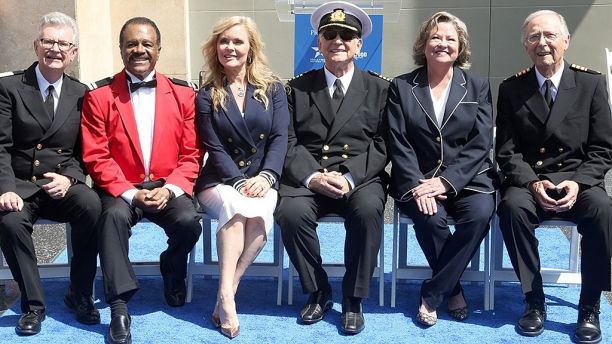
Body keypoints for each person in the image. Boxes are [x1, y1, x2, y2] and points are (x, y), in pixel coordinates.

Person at [80, 17, 203, 344]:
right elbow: (96, 156)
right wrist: (130, 194)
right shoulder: (100, 96)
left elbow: (191, 153)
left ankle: (172, 267)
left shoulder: (183, 94)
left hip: (168, 186)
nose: (139, 50)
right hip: (121, 190)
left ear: (159, 50)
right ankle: (119, 306)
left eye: (147, 44)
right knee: (112, 219)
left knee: (190, 222)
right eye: (132, 44)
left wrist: (171, 189)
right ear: (121, 49)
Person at [496, 10, 612, 344]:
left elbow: (603, 147)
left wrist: (579, 181)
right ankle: (534, 301)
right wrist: (533, 182)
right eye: (534, 37)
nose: (542, 43)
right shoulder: (512, 88)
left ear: (566, 40)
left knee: (603, 210)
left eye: (549, 35)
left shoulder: (590, 83)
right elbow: (506, 151)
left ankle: (589, 306)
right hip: (532, 181)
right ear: (525, 45)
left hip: (579, 181)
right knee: (511, 209)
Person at [274, 1, 389, 335]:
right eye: (329, 34)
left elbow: (383, 142)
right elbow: (289, 141)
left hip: (359, 177)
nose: (337, 40)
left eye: (346, 35)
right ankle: (317, 290)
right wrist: (314, 176)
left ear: (358, 45)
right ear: (319, 42)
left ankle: (353, 299)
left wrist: (350, 176)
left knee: (369, 212)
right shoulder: (297, 88)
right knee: (290, 213)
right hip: (310, 175)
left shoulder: (381, 89)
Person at [386, 11, 496, 327]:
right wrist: (418, 184)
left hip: (468, 180)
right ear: (424, 44)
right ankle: (454, 290)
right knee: (431, 220)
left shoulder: (477, 86)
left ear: (460, 48)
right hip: (418, 180)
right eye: (436, 37)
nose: (442, 44)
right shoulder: (402, 86)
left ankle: (433, 292)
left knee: (478, 216)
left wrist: (447, 182)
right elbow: (398, 141)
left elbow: (480, 142)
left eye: (450, 39)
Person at [0, 12, 101, 336]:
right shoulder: (9, 87)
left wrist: (70, 178)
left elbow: (87, 150)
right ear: (36, 45)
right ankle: (32, 306)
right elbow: (0, 145)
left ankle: (80, 293)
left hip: (60, 184)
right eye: (48, 41)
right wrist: (4, 187)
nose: (55, 48)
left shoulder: (82, 93)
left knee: (92, 206)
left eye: (63, 43)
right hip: (19, 184)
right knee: (10, 221)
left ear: (73, 53)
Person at [195, 16, 289, 339]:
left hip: (263, 177)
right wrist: (237, 181)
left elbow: (280, 138)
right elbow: (213, 146)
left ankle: (226, 292)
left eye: (237, 41)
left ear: (251, 48)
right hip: (219, 180)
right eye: (224, 41)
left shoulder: (274, 88)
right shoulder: (207, 94)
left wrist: (266, 176)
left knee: (260, 217)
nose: (230, 47)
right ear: (215, 48)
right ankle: (228, 299)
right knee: (235, 210)